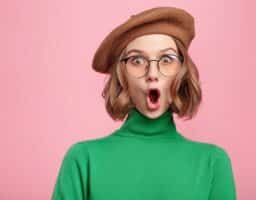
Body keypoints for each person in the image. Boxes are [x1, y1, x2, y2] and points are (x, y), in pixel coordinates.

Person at [51, 6, 237, 200]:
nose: (152, 74)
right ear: (122, 76)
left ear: (182, 73)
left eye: (166, 59)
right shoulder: (83, 160)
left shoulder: (213, 163)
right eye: (137, 61)